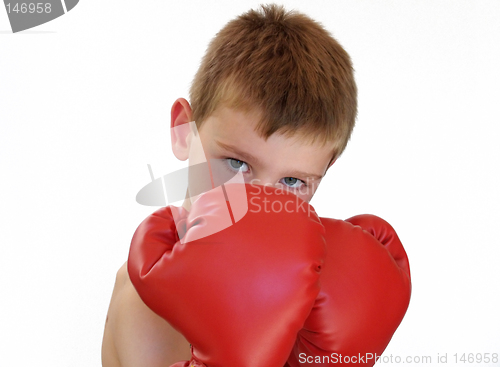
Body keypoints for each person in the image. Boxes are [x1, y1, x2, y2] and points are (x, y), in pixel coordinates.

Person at [102, 4, 411, 367]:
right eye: (238, 164)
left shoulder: (311, 288)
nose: (259, 202)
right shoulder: (143, 299)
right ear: (184, 130)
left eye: (292, 181)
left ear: (326, 170)